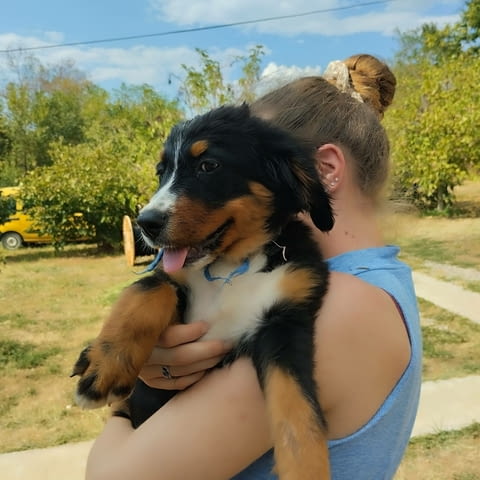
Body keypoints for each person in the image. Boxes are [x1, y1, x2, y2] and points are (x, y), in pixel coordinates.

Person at [85, 54, 422, 480]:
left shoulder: (342, 306)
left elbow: (114, 476)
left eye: (213, 168)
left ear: (320, 171)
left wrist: (123, 407)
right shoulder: (379, 279)